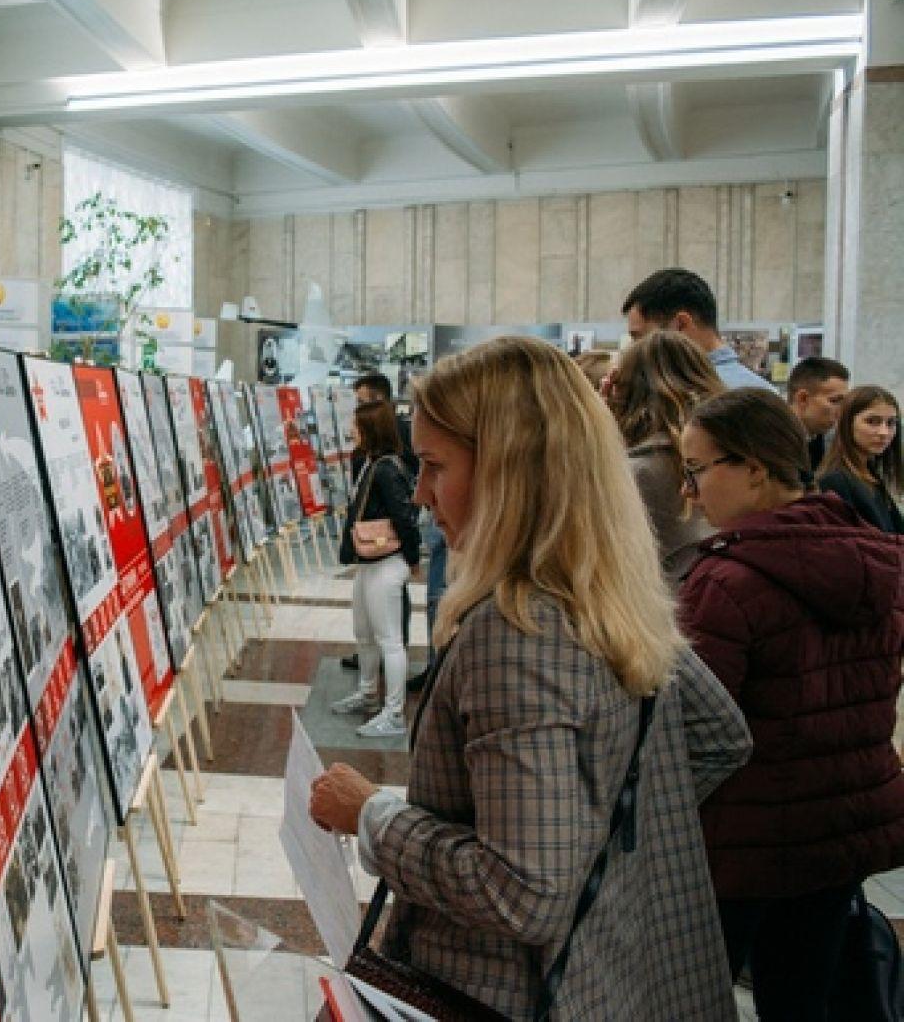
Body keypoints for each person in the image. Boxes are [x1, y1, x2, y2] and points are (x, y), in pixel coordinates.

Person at [310, 337, 750, 1021]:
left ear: (510, 472)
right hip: (611, 974)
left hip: (504, 988)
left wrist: (373, 813)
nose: (422, 494)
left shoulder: (518, 631)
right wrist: (594, 829)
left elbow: (523, 891)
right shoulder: (607, 595)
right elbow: (718, 734)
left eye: (433, 466)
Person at [677, 387, 904, 1019]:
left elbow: (696, 729)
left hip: (740, 841)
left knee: (688, 999)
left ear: (753, 466)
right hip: (840, 826)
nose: (690, 492)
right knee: (804, 998)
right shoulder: (876, 556)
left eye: (696, 470)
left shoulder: (728, 579)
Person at [604, 332, 724, 587]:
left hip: (658, 605)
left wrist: (601, 427)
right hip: (718, 588)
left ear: (625, 390)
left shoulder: (631, 471)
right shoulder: (732, 456)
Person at [332, 401, 421, 737]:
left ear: (369, 428)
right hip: (370, 563)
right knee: (365, 635)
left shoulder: (385, 469)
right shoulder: (371, 463)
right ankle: (369, 692)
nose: (351, 430)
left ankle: (394, 714)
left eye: (356, 425)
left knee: (389, 640)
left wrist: (412, 558)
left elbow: (405, 517)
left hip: (386, 563)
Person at [621, 268, 776, 392]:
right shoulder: (768, 395)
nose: (634, 350)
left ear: (681, 325)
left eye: (639, 338)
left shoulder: (685, 400)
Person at [817, 384, 902, 534]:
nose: (884, 432)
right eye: (872, 421)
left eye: (891, 423)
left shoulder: (870, 475)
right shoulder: (836, 481)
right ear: (847, 423)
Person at [785, 356, 849, 472]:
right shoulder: (771, 442)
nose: (841, 411)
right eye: (834, 401)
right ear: (803, 398)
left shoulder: (820, 439)